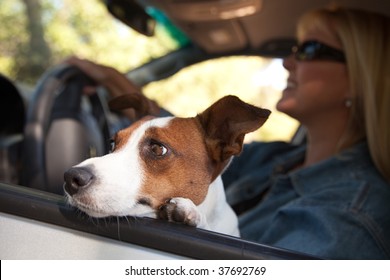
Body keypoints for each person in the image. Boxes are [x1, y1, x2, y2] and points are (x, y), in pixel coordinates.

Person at [67, 7, 390, 259]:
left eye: (309, 50)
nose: (288, 62)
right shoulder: (277, 158)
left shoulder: (349, 216)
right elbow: (177, 136)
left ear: (362, 76)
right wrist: (111, 78)